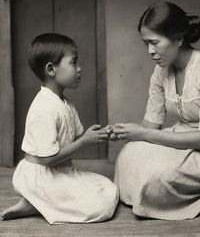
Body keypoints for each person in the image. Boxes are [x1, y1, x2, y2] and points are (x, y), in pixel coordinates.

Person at [113, 2, 200, 220]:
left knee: (156, 176)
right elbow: (151, 126)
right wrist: (127, 131)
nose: (150, 51)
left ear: (179, 39)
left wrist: (143, 134)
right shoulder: (160, 71)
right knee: (128, 155)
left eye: (155, 43)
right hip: (181, 135)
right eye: (146, 43)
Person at [1, 33, 118, 224]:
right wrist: (84, 141)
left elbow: (79, 136)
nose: (79, 69)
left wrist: (104, 134)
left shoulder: (65, 103)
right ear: (51, 69)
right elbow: (47, 159)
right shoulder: (44, 107)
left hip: (61, 171)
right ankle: (37, 200)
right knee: (101, 205)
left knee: (108, 187)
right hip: (41, 176)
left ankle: (38, 203)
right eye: (73, 63)